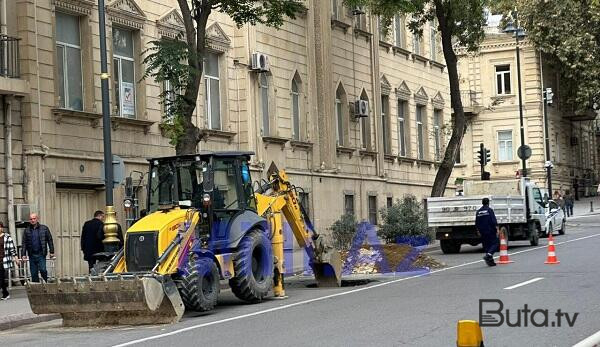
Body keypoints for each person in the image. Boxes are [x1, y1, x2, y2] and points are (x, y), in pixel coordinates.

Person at [21, 213, 54, 283]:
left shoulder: (44, 228)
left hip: (41, 254)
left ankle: (45, 283)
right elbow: (24, 243)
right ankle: (36, 289)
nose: (32, 220)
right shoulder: (26, 230)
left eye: (34, 218)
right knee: (33, 273)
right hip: (32, 254)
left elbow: (50, 240)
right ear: (29, 220)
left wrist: (52, 251)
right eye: (31, 219)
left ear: (37, 219)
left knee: (43, 269)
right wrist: (23, 254)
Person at [475, 198, 500, 267]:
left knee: (486, 245)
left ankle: (490, 262)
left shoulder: (478, 211)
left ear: (482, 203)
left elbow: (476, 222)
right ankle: (488, 255)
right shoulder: (489, 210)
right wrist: (497, 229)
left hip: (482, 231)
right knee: (495, 243)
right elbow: (493, 220)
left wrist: (478, 231)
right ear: (488, 203)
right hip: (490, 230)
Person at [1, 222, 19, 300]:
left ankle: (5, 293)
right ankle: (5, 293)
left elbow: (12, 248)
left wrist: (16, 258)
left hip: (3, 260)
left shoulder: (7, 237)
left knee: (1, 277)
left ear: (2, 228)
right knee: (1, 278)